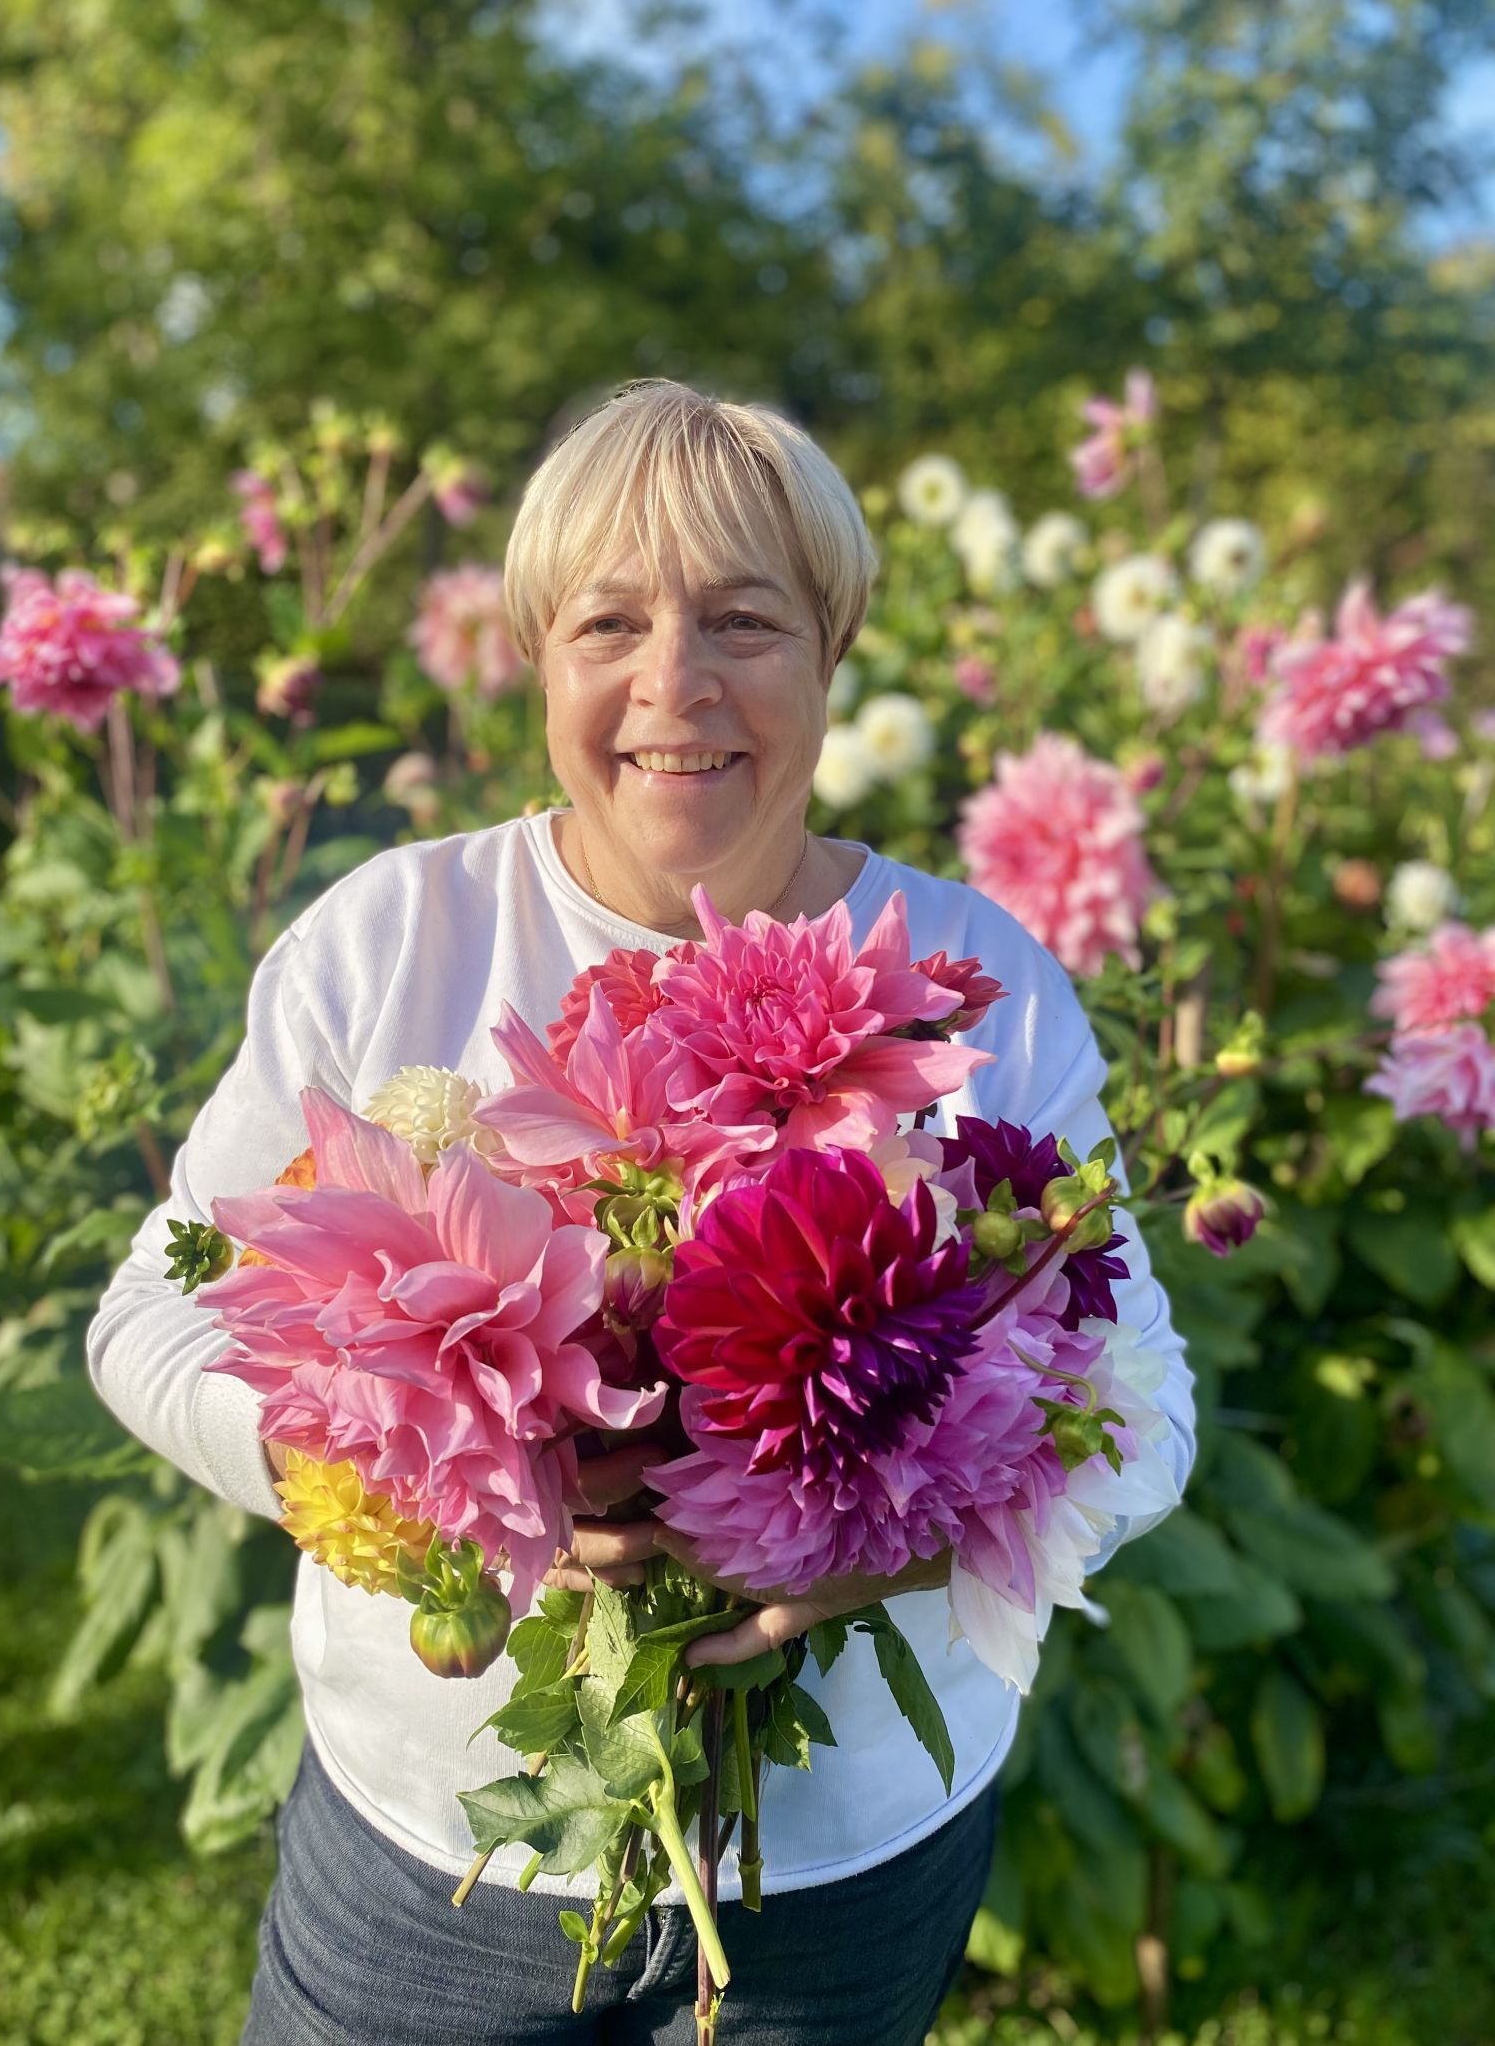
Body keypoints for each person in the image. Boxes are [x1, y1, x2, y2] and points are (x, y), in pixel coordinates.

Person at [88, 378, 1197, 2045]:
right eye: (609, 619)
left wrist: (889, 1544)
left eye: (745, 619)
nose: (674, 683)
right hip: (441, 1861)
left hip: (845, 1871)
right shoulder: (388, 945)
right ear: (538, 656)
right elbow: (151, 1314)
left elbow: (1153, 1411)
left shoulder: (982, 988)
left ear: (833, 657)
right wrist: (407, 1470)